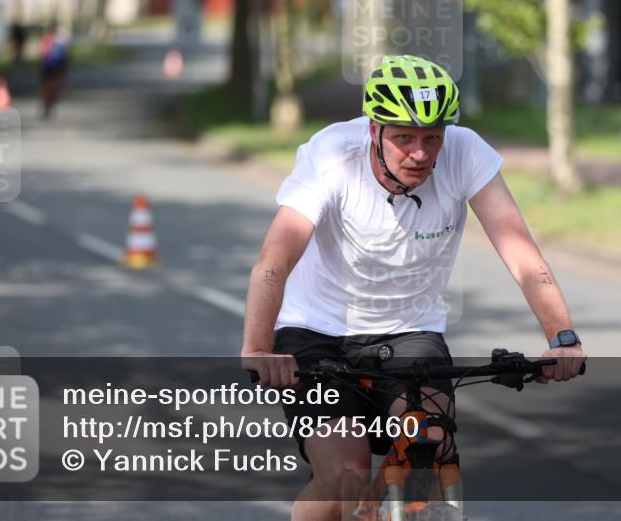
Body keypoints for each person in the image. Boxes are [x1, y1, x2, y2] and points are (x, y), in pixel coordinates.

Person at [241, 54, 585, 521]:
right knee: (346, 477)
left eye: (432, 138)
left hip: (408, 331)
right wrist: (260, 348)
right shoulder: (330, 157)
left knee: (431, 445)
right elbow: (274, 261)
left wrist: (561, 336)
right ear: (373, 131)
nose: (420, 154)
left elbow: (520, 249)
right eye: (403, 138)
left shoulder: (466, 153)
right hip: (316, 332)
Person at [38, 22, 69, 119]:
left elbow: (42, 54)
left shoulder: (46, 39)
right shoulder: (60, 41)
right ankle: (49, 104)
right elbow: (65, 57)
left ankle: (47, 105)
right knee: (54, 87)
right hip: (55, 67)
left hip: (49, 67)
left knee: (47, 87)